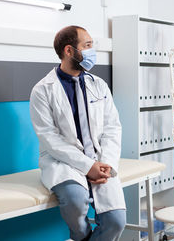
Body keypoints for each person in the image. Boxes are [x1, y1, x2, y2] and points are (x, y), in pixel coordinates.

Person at [29, 25, 126, 241]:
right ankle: (80, 237)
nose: (93, 51)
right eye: (88, 45)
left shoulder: (99, 85)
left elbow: (112, 128)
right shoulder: (43, 90)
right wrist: (87, 166)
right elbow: (49, 138)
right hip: (62, 162)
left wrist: (106, 164)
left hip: (101, 160)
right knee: (75, 199)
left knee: (116, 222)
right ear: (69, 51)